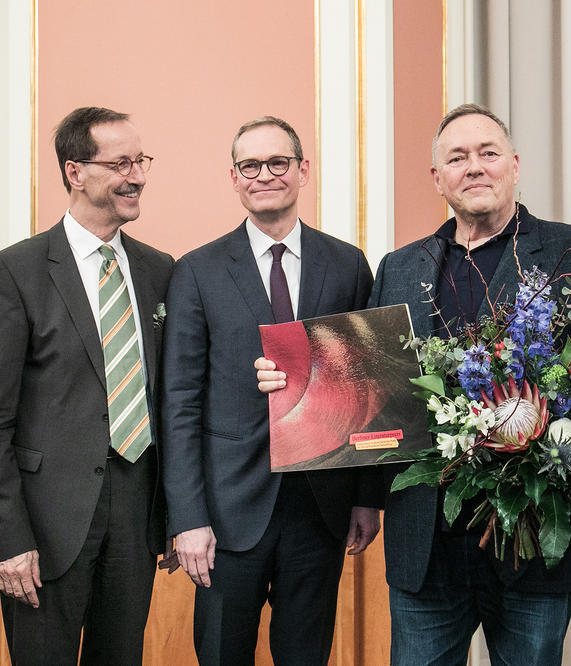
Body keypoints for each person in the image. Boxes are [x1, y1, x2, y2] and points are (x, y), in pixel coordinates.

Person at [364, 104, 571, 664]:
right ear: (438, 179)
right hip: (425, 544)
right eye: (457, 158)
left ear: (514, 165)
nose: (474, 167)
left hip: (534, 540)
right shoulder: (397, 268)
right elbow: (375, 396)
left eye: (487, 153)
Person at [160, 116, 381, 665]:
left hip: (320, 508)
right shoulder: (197, 271)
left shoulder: (348, 264)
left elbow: (370, 385)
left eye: (277, 162)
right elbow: (180, 404)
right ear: (233, 178)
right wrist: (187, 518)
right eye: (249, 166)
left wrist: (366, 496)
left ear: (302, 170)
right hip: (226, 513)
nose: (264, 175)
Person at [0, 106, 173, 664]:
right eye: (122, 162)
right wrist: (7, 541)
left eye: (142, 160)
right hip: (44, 527)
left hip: (135, 521)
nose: (138, 176)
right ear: (75, 171)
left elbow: (173, 398)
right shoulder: (16, 271)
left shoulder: (160, 271)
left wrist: (174, 516)